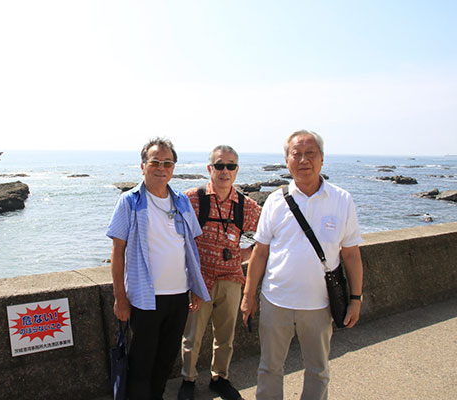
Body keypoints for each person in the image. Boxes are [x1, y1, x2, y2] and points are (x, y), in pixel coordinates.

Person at [240, 130, 364, 400]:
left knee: (318, 370)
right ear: (287, 161)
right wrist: (248, 297)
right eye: (297, 154)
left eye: (311, 154)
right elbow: (260, 252)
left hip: (319, 305)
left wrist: (355, 298)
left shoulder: (341, 200)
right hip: (275, 301)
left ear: (322, 159)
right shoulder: (274, 201)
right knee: (269, 368)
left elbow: (352, 254)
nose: (303, 160)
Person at [107, 137, 211, 400]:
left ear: (173, 168)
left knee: (165, 361)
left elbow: (190, 248)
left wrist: (196, 288)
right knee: (141, 362)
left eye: (167, 163)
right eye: (155, 162)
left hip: (178, 297)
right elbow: (117, 251)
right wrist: (120, 297)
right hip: (145, 298)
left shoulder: (182, 202)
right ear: (143, 166)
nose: (161, 167)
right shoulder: (129, 201)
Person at [178, 145, 262, 400]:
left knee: (226, 336)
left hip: (232, 279)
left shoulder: (245, 205)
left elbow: (270, 233)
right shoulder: (193, 199)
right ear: (210, 168)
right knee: (192, 336)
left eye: (231, 165)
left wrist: (246, 254)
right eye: (219, 165)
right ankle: (188, 380)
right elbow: (173, 235)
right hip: (198, 280)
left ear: (237, 170)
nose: (225, 171)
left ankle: (220, 378)